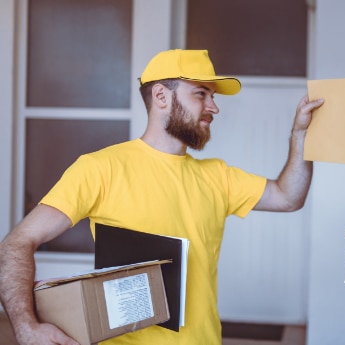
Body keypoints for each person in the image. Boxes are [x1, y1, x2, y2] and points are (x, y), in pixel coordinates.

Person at [0, 49, 324, 345]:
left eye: (212, 96)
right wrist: (26, 327)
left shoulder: (217, 176)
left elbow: (287, 196)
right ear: (161, 95)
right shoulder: (101, 168)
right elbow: (18, 242)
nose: (214, 107)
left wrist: (301, 135)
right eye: (201, 93)